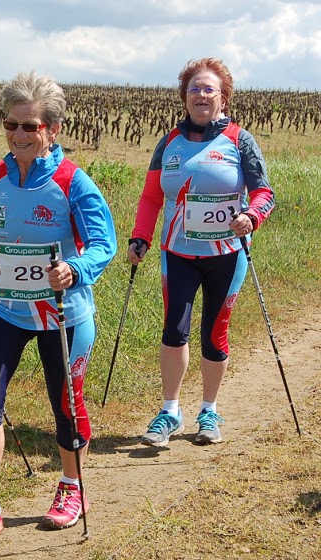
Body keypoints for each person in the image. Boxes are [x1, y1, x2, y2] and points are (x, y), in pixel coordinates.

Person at [0, 71, 117, 540]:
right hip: (5, 309)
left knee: (66, 405)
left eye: (30, 126)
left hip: (63, 313)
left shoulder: (72, 181)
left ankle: (71, 486)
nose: (18, 135)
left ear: (51, 129)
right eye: (11, 125)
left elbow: (103, 242)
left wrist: (75, 269)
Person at [127, 58, 275, 448]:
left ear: (223, 98)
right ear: (184, 98)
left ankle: (209, 410)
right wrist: (139, 237)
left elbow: (264, 194)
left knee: (214, 333)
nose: (201, 95)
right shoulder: (169, 142)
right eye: (194, 89)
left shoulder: (240, 140)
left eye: (209, 89)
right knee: (174, 331)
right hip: (177, 252)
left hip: (227, 253)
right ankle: (169, 411)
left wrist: (250, 216)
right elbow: (150, 196)